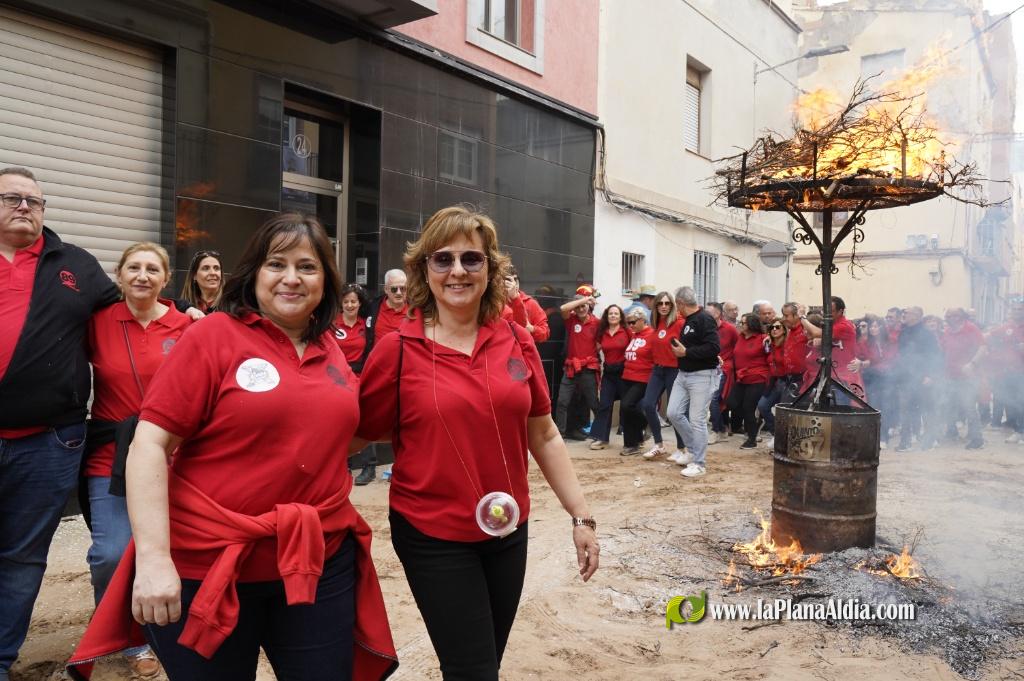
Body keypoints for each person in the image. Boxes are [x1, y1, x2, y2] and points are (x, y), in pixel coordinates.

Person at [67, 213, 397, 681]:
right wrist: (156, 559)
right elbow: (150, 445)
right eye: (276, 264)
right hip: (205, 567)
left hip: (315, 565)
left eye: (307, 267)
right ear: (253, 273)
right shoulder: (212, 336)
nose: (291, 278)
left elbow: (337, 437)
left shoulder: (330, 348)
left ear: (326, 280)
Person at [355, 205, 598, 680]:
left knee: (485, 659)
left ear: (491, 268)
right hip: (432, 533)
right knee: (473, 670)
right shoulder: (397, 349)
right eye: (443, 259)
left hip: (508, 527)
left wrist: (581, 515)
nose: (458, 271)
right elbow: (357, 433)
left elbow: (544, 433)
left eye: (472, 259)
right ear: (425, 268)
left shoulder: (515, 338)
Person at [0, 166, 122, 681]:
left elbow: (132, 311)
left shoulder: (76, 264)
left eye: (35, 201)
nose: (25, 206)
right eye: (12, 197)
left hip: (50, 441)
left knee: (22, 559)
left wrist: (191, 322)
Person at [80, 243, 194, 678]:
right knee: (110, 553)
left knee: (179, 550)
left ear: (166, 279)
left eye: (152, 269)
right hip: (111, 452)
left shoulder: (188, 326)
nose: (143, 275)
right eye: (134, 267)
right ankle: (124, 637)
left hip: (176, 454)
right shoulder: (94, 323)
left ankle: (168, 630)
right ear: (119, 274)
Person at [352, 270, 408, 483]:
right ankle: (368, 467)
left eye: (403, 288)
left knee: (407, 421)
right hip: (378, 373)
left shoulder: (418, 310)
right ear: (386, 290)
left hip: (409, 374)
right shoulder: (372, 308)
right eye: (394, 288)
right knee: (371, 417)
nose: (399, 293)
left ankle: (402, 466)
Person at [666, 287, 720, 477]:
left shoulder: (705, 319)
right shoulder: (690, 320)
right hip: (684, 374)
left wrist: (686, 352)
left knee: (697, 420)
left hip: (702, 375)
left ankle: (699, 463)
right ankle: (692, 450)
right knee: (673, 412)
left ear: (680, 303)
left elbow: (714, 347)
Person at [639, 291, 686, 460]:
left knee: (674, 411)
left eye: (667, 303)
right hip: (658, 370)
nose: (664, 306)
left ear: (672, 306)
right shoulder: (655, 324)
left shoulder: (679, 323)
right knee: (648, 404)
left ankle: (682, 448)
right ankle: (659, 444)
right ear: (656, 306)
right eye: (660, 303)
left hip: (674, 370)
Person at [895, 306, 943, 452]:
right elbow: (902, 355)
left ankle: (929, 441)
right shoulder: (903, 332)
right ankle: (905, 441)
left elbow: (935, 356)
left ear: (916, 315)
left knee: (927, 410)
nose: (904, 315)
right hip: (907, 377)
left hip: (923, 377)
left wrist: (930, 375)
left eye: (907, 313)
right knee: (906, 410)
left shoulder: (927, 334)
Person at [555, 287, 601, 440]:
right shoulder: (571, 320)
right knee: (562, 402)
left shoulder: (597, 323)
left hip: (588, 369)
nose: (581, 309)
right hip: (570, 369)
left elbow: (603, 342)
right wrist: (584, 299)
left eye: (584, 306)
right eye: (578, 306)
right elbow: (562, 308)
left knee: (594, 403)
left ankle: (600, 434)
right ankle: (560, 434)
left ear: (589, 307)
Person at [940, 307, 985, 449]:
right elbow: (943, 350)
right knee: (948, 404)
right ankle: (952, 432)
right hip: (950, 375)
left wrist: (972, 364)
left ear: (960, 317)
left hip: (968, 376)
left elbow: (983, 348)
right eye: (947, 315)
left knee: (968, 406)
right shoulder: (947, 331)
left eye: (952, 315)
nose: (948, 318)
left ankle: (977, 439)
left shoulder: (971, 328)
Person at [589, 304, 630, 450]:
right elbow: (596, 347)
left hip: (624, 372)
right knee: (605, 405)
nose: (613, 316)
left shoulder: (627, 332)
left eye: (616, 314)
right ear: (607, 317)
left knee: (628, 406)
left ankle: (632, 441)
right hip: (608, 373)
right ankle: (601, 438)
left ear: (620, 317)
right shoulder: (603, 333)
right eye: (610, 314)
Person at [728, 313, 770, 450]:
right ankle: (754, 425)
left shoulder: (763, 338)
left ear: (752, 324)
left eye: (744, 323)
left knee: (748, 408)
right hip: (741, 377)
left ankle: (751, 439)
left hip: (757, 377)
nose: (741, 325)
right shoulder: (740, 337)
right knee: (732, 402)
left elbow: (770, 355)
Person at [620, 309, 655, 456]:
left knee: (627, 405)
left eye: (633, 322)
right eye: (628, 323)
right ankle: (632, 443)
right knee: (625, 410)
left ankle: (648, 423)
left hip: (643, 378)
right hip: (627, 376)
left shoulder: (652, 335)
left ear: (643, 320)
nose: (630, 325)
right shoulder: (634, 335)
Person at [756, 316, 788, 445]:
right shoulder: (769, 344)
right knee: (763, 406)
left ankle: (784, 438)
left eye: (778, 327)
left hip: (787, 381)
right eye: (772, 327)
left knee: (784, 411)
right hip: (774, 381)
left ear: (784, 330)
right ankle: (776, 434)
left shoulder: (788, 344)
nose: (774, 330)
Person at [500, 265, 550, 343]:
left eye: (516, 280)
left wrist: (530, 328)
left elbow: (544, 334)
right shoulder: (494, 302)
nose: (513, 284)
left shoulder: (530, 303)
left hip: (523, 351)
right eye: (508, 280)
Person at [333, 283, 370, 371]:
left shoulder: (366, 325)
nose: (349, 305)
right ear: (341, 304)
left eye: (353, 301)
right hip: (337, 374)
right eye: (345, 302)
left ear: (359, 303)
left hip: (359, 376)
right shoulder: (332, 325)